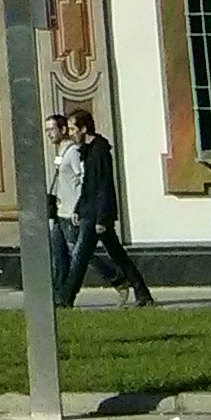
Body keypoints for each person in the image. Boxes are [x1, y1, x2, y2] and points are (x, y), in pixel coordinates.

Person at [55, 104, 156, 308]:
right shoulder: (86, 150)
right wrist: (78, 208)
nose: (71, 134)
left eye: (74, 129)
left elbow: (104, 186)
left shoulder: (100, 151)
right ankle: (142, 293)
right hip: (88, 211)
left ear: (84, 129)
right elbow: (87, 186)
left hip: (97, 214)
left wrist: (102, 218)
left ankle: (65, 299)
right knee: (117, 254)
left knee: (80, 258)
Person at [45, 111, 85, 299]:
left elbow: (82, 178)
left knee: (80, 254)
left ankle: (116, 278)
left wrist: (79, 206)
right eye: (47, 130)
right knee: (59, 254)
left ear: (63, 129)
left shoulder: (74, 152)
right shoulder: (60, 152)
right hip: (61, 212)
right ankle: (59, 295)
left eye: (52, 129)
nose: (49, 134)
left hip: (71, 212)